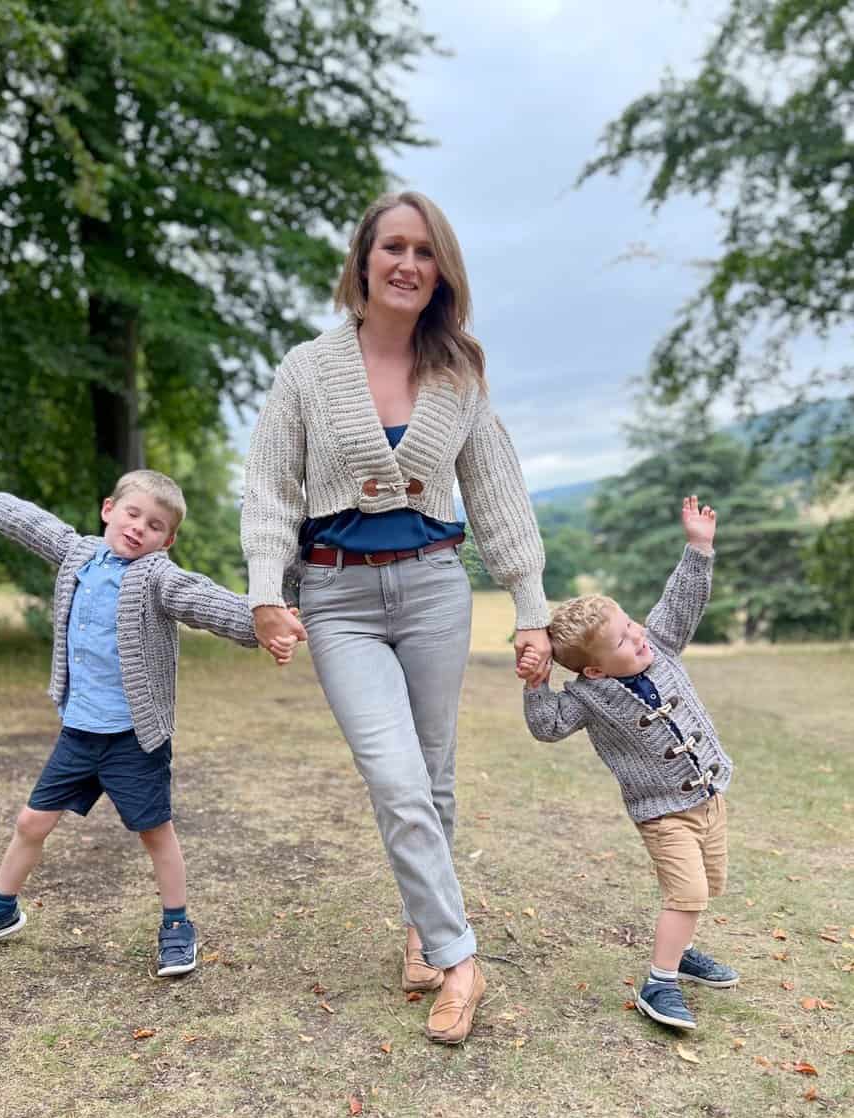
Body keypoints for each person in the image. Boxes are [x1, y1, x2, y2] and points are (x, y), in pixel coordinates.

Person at [242, 190, 552, 1044]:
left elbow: (496, 492)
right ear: (364, 262)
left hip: (433, 587)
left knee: (435, 776)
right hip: (337, 596)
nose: (408, 264)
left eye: (425, 251)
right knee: (396, 776)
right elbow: (270, 486)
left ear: (440, 270)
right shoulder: (309, 367)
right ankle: (462, 961)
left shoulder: (458, 372)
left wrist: (531, 607)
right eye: (393, 248)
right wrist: (269, 589)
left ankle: (423, 934)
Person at [0, 450, 291, 975]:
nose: (138, 528)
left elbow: (203, 599)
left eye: (155, 526)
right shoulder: (76, 554)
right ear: (108, 509)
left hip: (133, 739)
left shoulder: (156, 578)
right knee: (31, 822)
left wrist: (261, 621)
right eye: (132, 514)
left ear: (166, 541)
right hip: (78, 733)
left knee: (156, 833)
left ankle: (176, 923)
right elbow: (33, 524)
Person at [521, 496, 738, 1030]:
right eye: (623, 640)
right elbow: (546, 726)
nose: (638, 636)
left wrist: (698, 548)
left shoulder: (658, 643)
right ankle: (659, 985)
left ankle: (681, 952)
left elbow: (681, 602)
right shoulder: (588, 698)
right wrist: (537, 682)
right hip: (663, 812)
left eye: (631, 625)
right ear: (594, 670)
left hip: (709, 795)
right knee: (685, 892)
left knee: (709, 886)